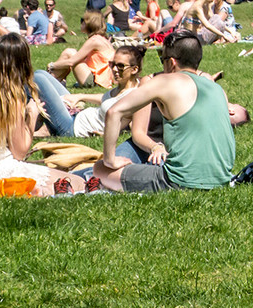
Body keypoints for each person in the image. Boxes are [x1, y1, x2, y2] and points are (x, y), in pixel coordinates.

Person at [91, 34, 237, 192]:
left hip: (178, 181)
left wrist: (109, 160)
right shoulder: (217, 89)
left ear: (172, 62)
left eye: (163, 58)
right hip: (221, 179)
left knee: (100, 168)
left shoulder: (166, 81)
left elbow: (114, 112)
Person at [0, 35, 91, 196]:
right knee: (77, 182)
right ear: (23, 63)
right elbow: (19, 153)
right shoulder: (11, 97)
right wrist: (32, 115)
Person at [44, 11, 116, 87]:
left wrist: (52, 65)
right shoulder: (103, 39)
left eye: (83, 21)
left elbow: (71, 62)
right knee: (70, 54)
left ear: (89, 23)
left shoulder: (94, 40)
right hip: (103, 80)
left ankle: (48, 82)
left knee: (69, 52)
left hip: (96, 81)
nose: (81, 24)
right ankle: (54, 81)